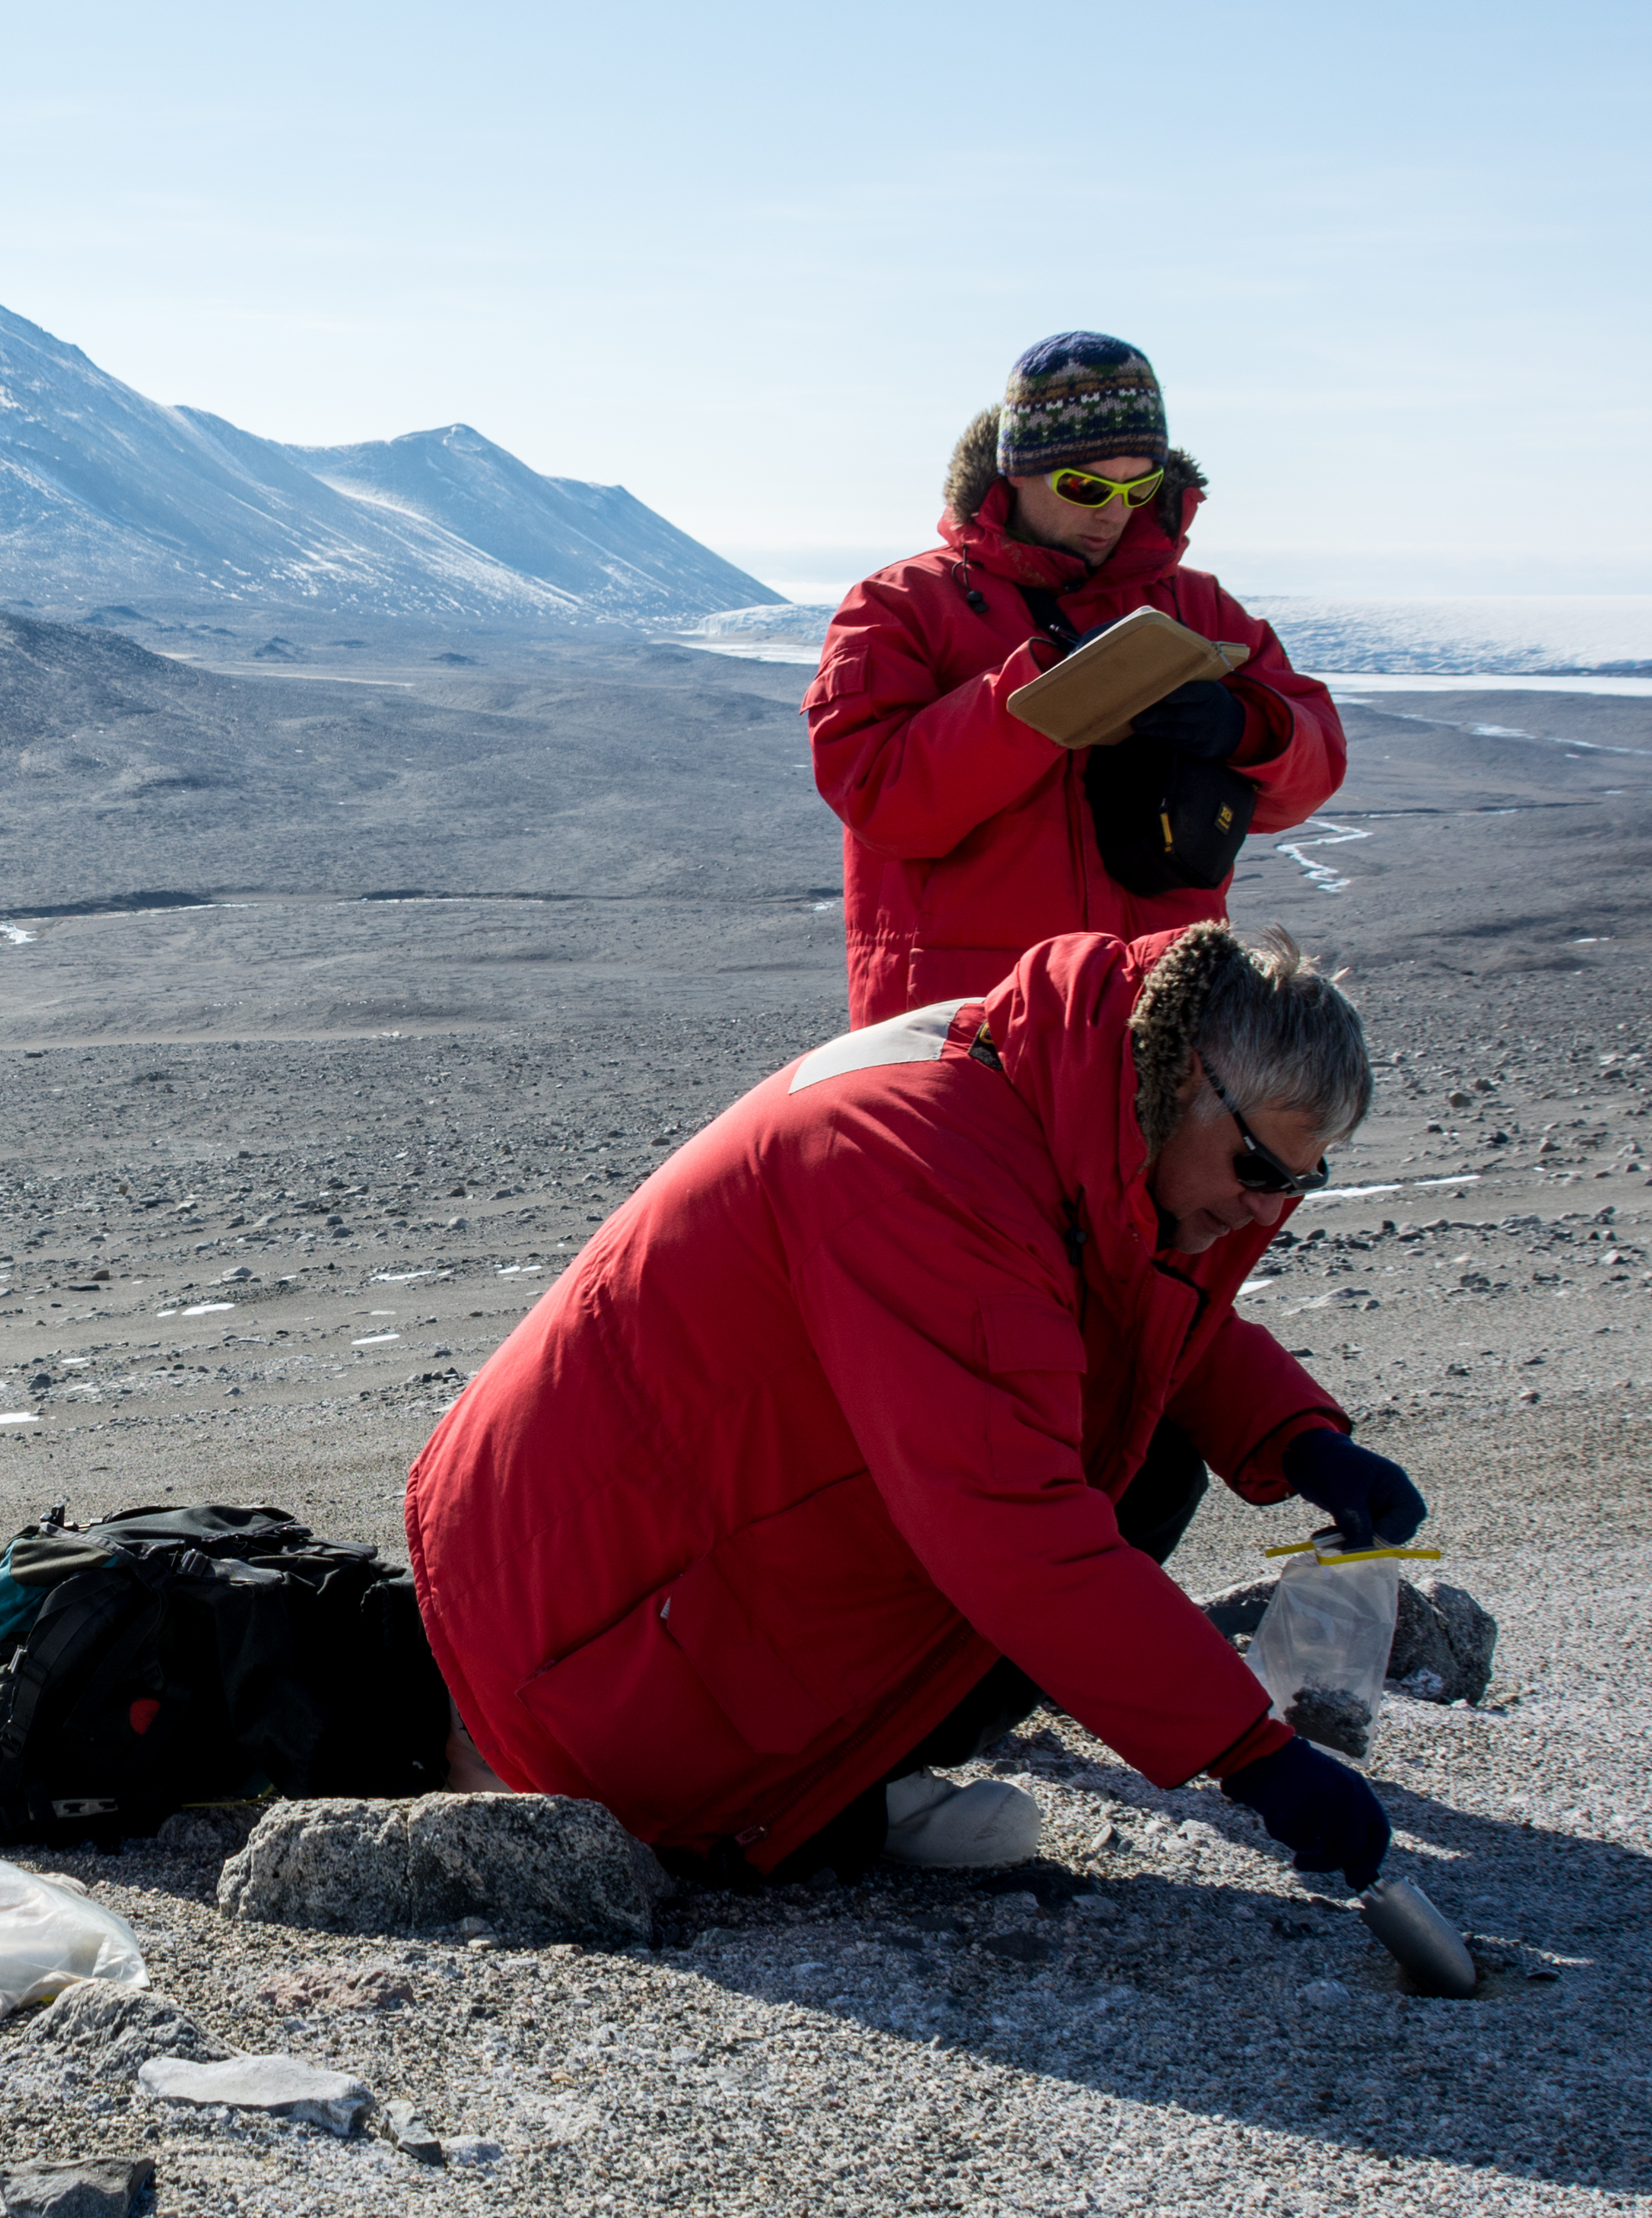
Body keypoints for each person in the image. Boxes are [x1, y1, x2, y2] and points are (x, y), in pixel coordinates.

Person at [404, 922, 1425, 1885]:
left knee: (1142, 1453)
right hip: (575, 1621)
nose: (1266, 1207)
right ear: (1191, 1080)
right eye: (1258, 1169)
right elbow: (1008, 1521)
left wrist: (1295, 1439)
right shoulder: (923, 1171)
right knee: (1060, 1497)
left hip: (649, 1540)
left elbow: (1123, 1303)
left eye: (1302, 1181)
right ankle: (757, 1793)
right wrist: (1249, 1754)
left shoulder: (1059, 1095)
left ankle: (860, 1767)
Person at [806, 332, 1347, 1033]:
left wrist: (1245, 727)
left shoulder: (1198, 604)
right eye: (1086, 486)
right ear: (1017, 472)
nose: (1112, 512)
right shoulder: (900, 606)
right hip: (972, 1020)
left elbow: (1317, 763)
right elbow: (882, 801)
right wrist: (1038, 697)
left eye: (1139, 485)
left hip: (1162, 1016)